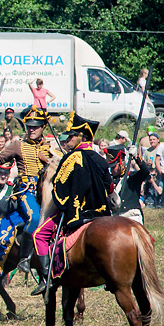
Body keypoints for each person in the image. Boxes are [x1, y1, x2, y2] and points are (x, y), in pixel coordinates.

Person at [31, 113, 111, 295]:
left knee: (38, 235)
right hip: (100, 213)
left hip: (76, 214)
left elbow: (60, 191)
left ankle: (46, 278)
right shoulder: (101, 160)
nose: (68, 139)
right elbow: (110, 186)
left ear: (82, 137)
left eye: (71, 136)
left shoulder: (71, 158)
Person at [0, 106, 53, 279]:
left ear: (43, 127)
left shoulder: (48, 145)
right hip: (26, 190)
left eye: (35, 126)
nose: (31, 129)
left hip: (47, 190)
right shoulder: (17, 145)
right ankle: (24, 258)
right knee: (34, 217)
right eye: (29, 126)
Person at [109, 145, 147, 225]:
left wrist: (136, 157)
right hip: (116, 216)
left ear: (121, 164)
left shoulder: (133, 177)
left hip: (132, 215)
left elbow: (145, 172)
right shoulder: (110, 180)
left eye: (114, 167)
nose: (112, 170)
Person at [141, 132, 164, 208]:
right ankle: (151, 203)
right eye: (150, 140)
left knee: (161, 190)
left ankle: (161, 204)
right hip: (151, 173)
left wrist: (161, 172)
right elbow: (144, 163)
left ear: (158, 140)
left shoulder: (161, 148)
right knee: (150, 189)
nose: (152, 141)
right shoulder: (147, 151)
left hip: (160, 173)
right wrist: (147, 163)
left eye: (154, 139)